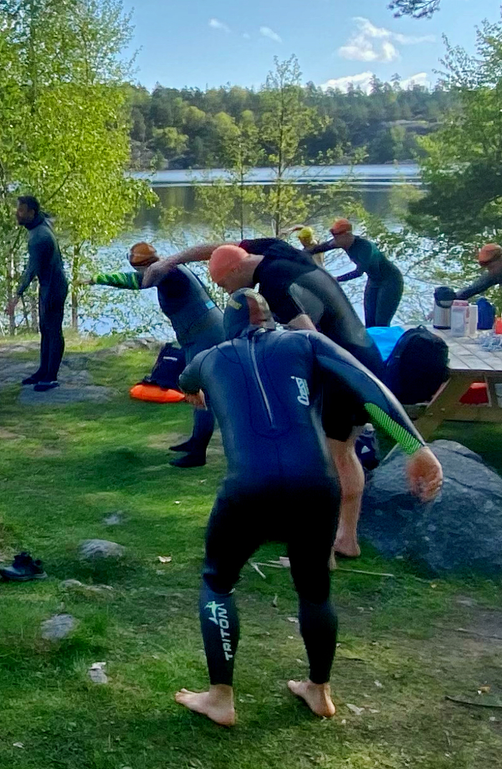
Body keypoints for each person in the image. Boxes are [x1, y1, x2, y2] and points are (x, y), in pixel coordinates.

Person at [174, 289, 443, 728]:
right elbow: (368, 388)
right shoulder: (305, 342)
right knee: (314, 587)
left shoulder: (209, 357)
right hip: (315, 485)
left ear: (228, 324)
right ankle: (319, 689)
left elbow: (186, 383)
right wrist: (414, 445)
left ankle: (221, 697)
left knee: (218, 583)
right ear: (269, 319)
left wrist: (199, 392)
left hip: (248, 486)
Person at [149, 239, 386, 559]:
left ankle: (319, 553)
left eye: (224, 283)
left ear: (236, 269)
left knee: (317, 462)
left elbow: (310, 341)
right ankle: (346, 540)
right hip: (363, 358)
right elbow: (219, 248)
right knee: (342, 453)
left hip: (337, 373)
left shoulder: (275, 288)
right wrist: (171, 261)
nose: (225, 291)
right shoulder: (274, 251)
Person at [93, 242, 226, 465]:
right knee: (196, 389)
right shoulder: (170, 268)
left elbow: (138, 283)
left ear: (145, 265)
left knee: (202, 392)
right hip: (200, 333)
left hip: (206, 335)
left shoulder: (167, 273)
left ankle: (198, 453)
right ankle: (195, 441)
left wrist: (99, 279)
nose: (140, 273)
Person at [5, 196, 68, 392]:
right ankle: (43, 370)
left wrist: (17, 295)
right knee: (45, 329)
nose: (17, 213)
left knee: (53, 330)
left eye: (22, 210)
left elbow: (31, 270)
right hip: (48, 285)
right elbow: (48, 217)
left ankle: (51, 377)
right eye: (18, 209)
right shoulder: (38, 225)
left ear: (32, 213)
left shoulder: (39, 238)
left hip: (54, 287)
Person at [306, 219, 405, 328]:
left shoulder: (365, 247)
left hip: (391, 280)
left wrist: (336, 279)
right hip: (374, 280)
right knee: (370, 323)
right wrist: (295, 254)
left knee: (381, 323)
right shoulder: (339, 242)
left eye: (337, 236)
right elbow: (316, 249)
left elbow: (358, 272)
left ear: (347, 235)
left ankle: (386, 343)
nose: (335, 240)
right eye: (334, 237)